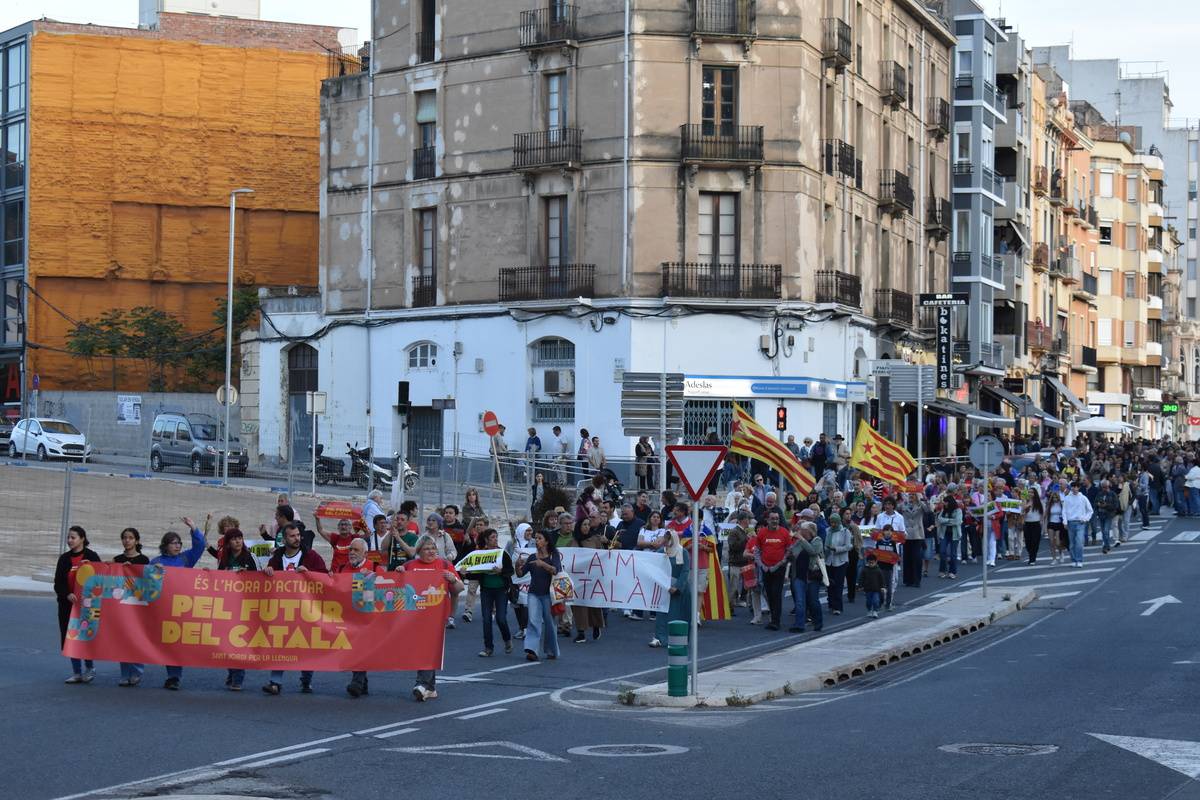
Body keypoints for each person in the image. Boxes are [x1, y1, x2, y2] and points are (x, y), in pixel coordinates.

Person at [261, 522, 327, 695]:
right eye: (293, 536)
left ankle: (306, 680)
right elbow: (267, 579)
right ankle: (275, 682)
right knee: (280, 644)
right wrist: (267, 570)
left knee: (306, 645)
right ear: (284, 538)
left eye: (298, 535)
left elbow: (325, 578)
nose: (297, 538)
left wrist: (309, 574)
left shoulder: (311, 556)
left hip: (306, 609)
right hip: (283, 610)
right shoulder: (277, 557)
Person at [406, 534, 465, 700]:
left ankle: (422, 684)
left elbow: (459, 588)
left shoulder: (444, 564)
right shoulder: (410, 565)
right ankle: (430, 688)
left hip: (437, 616)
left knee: (427, 648)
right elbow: (398, 583)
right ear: (419, 551)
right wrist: (399, 571)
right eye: (426, 548)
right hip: (415, 615)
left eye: (433, 548)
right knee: (423, 649)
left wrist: (453, 579)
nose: (431, 551)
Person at [150, 519, 205, 690]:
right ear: (165, 545)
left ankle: (175, 676)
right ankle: (171, 675)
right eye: (174, 543)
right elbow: (144, 580)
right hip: (163, 607)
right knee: (167, 642)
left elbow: (200, 545)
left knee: (177, 642)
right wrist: (152, 571)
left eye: (179, 543)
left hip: (181, 606)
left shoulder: (185, 558)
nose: (177, 546)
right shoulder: (156, 561)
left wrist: (194, 528)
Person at [55, 525, 101, 684]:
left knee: (85, 635)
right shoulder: (64, 558)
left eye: (73, 537)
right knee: (71, 637)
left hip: (87, 605)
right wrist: (67, 594)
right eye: (68, 537)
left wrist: (92, 567)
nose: (69, 540)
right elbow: (58, 582)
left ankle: (90, 667)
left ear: (82, 538)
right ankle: (76, 672)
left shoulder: (92, 556)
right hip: (68, 605)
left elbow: (100, 578)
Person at [216, 528, 256, 690]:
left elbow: (257, 580)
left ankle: (238, 678)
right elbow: (217, 579)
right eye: (234, 539)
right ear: (228, 542)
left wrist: (247, 574)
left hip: (243, 606)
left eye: (240, 538)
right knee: (227, 642)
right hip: (228, 605)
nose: (237, 541)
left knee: (238, 642)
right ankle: (232, 671)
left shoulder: (248, 557)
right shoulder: (225, 559)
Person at [111, 527, 150, 686]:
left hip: (138, 605)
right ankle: (125, 673)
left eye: (131, 538)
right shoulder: (117, 559)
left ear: (137, 541)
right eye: (124, 538)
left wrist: (132, 570)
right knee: (122, 640)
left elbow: (148, 580)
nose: (127, 540)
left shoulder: (144, 560)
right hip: (121, 606)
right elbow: (108, 577)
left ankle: (137, 671)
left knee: (135, 638)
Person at [338, 538, 376, 697]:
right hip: (347, 617)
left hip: (367, 618)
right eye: (350, 550)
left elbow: (387, 588)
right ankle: (362, 682)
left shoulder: (374, 567)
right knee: (352, 649)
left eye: (356, 550)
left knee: (360, 647)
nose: (352, 553)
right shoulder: (341, 568)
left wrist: (372, 578)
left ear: (365, 553)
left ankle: (357, 682)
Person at [516, 531, 562, 662]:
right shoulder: (531, 557)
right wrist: (517, 566)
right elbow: (520, 574)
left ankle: (551, 650)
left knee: (549, 623)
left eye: (539, 538)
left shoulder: (554, 555)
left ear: (546, 541)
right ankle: (532, 650)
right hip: (534, 593)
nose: (537, 541)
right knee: (533, 621)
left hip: (549, 594)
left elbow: (556, 570)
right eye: (535, 538)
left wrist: (543, 564)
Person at [649, 525, 692, 648]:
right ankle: (659, 637)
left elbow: (685, 571)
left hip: (679, 589)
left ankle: (677, 639)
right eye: (665, 539)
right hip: (665, 587)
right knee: (662, 614)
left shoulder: (682, 552)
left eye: (668, 539)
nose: (666, 542)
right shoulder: (660, 552)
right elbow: (652, 565)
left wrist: (677, 587)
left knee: (679, 615)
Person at [475, 528, 515, 657]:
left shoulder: (502, 554)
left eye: (496, 537)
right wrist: (466, 573)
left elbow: (510, 571)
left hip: (500, 590)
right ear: (486, 540)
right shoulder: (480, 554)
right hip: (486, 590)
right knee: (486, 619)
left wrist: (501, 572)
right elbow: (475, 573)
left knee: (501, 618)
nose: (495, 539)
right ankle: (488, 648)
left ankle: (507, 639)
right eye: (492, 537)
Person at [750, 510, 791, 631]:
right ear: (768, 520)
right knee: (769, 594)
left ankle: (776, 621)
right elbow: (757, 550)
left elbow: (788, 550)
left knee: (776, 594)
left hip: (779, 568)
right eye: (772, 519)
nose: (775, 521)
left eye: (777, 519)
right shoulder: (762, 532)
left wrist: (781, 562)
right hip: (765, 568)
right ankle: (773, 618)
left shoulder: (784, 532)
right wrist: (761, 565)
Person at [569, 518, 607, 642]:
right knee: (578, 605)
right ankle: (581, 632)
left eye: (588, 525)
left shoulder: (595, 540)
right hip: (578, 579)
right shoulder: (573, 541)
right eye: (584, 525)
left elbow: (601, 556)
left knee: (593, 604)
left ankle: (596, 625)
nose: (586, 527)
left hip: (592, 577)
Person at [788, 521, 824, 634]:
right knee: (799, 601)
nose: (800, 531)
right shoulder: (799, 542)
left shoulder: (817, 540)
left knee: (813, 601)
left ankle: (818, 622)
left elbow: (813, 551)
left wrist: (802, 540)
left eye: (802, 529)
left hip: (812, 576)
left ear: (809, 531)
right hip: (799, 575)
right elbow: (793, 552)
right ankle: (799, 625)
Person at [823, 514, 851, 616]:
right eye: (831, 522)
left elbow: (848, 546)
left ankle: (837, 607)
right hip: (829, 560)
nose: (833, 524)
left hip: (841, 561)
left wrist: (836, 549)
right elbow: (824, 544)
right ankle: (831, 604)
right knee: (829, 584)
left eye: (835, 522)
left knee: (838, 584)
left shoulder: (845, 532)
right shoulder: (827, 531)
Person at [870, 525, 902, 611]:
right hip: (880, 567)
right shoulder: (879, 541)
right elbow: (875, 553)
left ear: (892, 532)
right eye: (886, 530)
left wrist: (896, 561)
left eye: (890, 531)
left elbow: (896, 555)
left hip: (889, 568)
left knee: (889, 586)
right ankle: (880, 603)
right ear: (883, 532)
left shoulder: (893, 543)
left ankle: (888, 604)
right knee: (880, 586)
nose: (888, 532)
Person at [1063, 482, 1094, 568]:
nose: (1075, 488)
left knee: (1079, 542)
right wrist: (1065, 522)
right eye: (1073, 487)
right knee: (1072, 544)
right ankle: (1073, 560)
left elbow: (1090, 510)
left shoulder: (1083, 498)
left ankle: (1079, 560)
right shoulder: (1067, 498)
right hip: (1070, 522)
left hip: (1080, 523)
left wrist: (1085, 519)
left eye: (1076, 487)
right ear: (1071, 488)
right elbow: (1064, 511)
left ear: (1079, 488)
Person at [860, 553, 886, 619]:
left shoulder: (878, 570)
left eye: (872, 563)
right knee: (868, 601)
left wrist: (882, 587)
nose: (871, 564)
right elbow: (861, 578)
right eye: (869, 563)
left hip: (876, 589)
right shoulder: (865, 570)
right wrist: (860, 585)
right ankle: (869, 610)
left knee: (875, 601)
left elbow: (882, 579)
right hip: (868, 589)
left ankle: (875, 611)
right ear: (867, 562)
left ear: (876, 562)